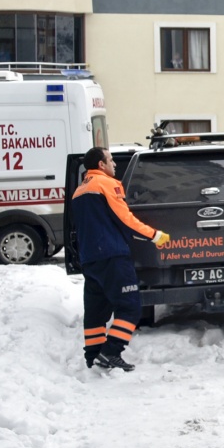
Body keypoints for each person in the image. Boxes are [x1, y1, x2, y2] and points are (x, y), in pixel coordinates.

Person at [69, 147, 171, 371]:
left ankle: (93, 358)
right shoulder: (107, 184)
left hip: (90, 260)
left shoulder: (79, 190)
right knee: (131, 308)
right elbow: (125, 218)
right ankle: (111, 352)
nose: (114, 164)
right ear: (101, 165)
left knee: (96, 311)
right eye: (111, 160)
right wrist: (155, 235)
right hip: (112, 255)